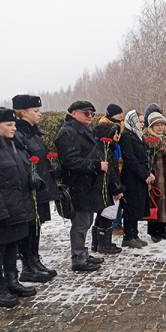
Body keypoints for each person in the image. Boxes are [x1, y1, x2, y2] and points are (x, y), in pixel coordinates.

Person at [0, 107, 37, 307]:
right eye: (8, 125)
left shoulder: (13, 145)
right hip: (1, 210)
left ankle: (12, 281)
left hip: (17, 206)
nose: (14, 128)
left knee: (12, 246)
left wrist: (34, 179)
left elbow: (22, 171)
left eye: (14, 124)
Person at [54, 101, 107, 272]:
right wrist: (97, 166)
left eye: (92, 113)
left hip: (87, 184)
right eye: (86, 113)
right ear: (74, 113)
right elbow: (71, 161)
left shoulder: (81, 130)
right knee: (80, 223)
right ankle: (78, 257)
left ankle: (83, 253)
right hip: (77, 185)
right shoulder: (68, 132)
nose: (90, 116)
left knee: (87, 221)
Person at [13, 95, 58, 283]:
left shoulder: (34, 131)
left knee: (37, 226)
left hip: (40, 188)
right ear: (22, 112)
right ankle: (28, 266)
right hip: (29, 190)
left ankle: (35, 261)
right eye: (35, 111)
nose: (39, 114)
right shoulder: (18, 133)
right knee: (30, 227)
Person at [119, 110, 153, 249]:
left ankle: (135, 234)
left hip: (139, 177)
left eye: (143, 122)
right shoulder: (126, 136)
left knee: (137, 205)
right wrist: (144, 174)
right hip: (131, 177)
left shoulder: (138, 135)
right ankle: (128, 236)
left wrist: (148, 173)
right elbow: (130, 159)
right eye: (139, 121)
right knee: (130, 207)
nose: (142, 124)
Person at [144, 112, 166, 243]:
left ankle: (163, 230)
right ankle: (153, 231)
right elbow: (146, 159)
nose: (160, 127)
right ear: (151, 127)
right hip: (156, 176)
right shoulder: (147, 140)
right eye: (157, 125)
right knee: (156, 203)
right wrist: (149, 172)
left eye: (162, 125)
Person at [90, 122, 124, 254]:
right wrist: (116, 189)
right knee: (107, 215)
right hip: (108, 188)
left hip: (107, 187)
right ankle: (104, 244)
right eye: (114, 133)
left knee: (102, 215)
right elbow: (110, 172)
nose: (117, 136)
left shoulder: (108, 148)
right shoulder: (104, 150)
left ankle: (97, 243)